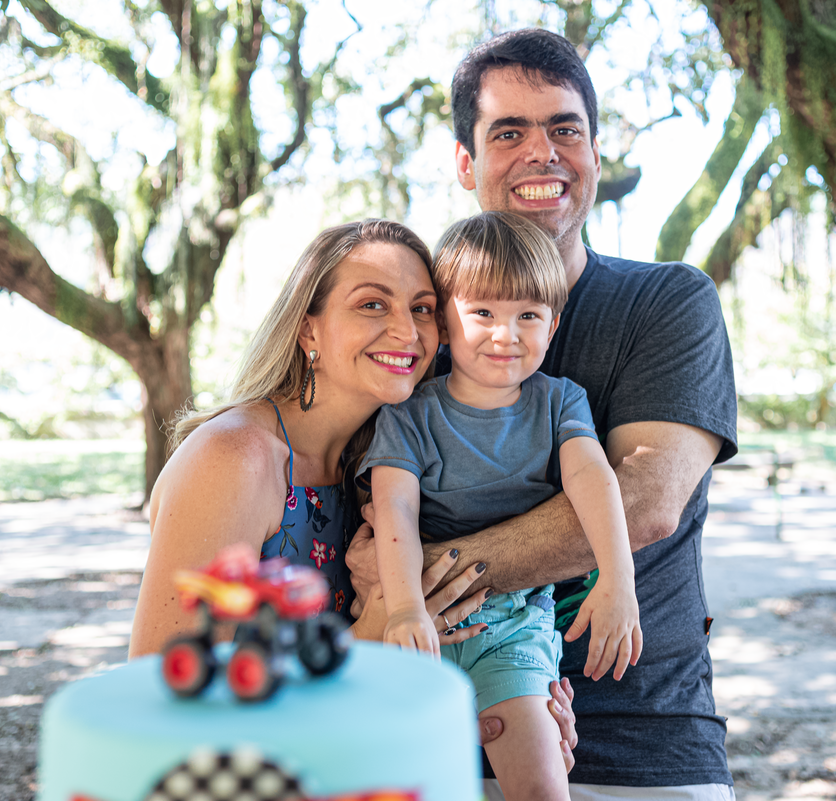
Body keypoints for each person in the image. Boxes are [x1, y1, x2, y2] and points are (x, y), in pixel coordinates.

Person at [346, 29, 739, 800]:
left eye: (566, 128)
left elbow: (646, 500)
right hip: (435, 733)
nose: (543, 152)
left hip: (641, 740)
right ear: (466, 162)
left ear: (595, 151)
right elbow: (357, 503)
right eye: (509, 132)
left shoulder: (666, 302)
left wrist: (420, 580)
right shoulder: (418, 324)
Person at [126, 218, 579, 769]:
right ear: (308, 329)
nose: (407, 332)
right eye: (372, 305)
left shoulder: (381, 465)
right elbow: (158, 699)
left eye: (422, 308)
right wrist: (368, 636)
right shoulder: (236, 458)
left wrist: (525, 697)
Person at [363, 212, 643, 801]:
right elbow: (394, 514)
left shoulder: (560, 401)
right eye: (483, 312)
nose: (505, 333)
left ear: (553, 324)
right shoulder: (410, 415)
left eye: (528, 316)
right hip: (419, 628)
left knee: (541, 784)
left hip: (514, 628)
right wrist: (406, 610)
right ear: (444, 319)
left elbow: (593, 477)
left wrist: (619, 578)